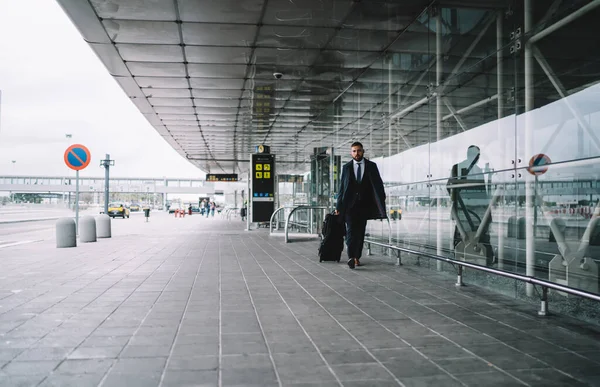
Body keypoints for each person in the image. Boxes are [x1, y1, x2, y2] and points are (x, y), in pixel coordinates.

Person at [335, 142, 387, 269]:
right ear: (350, 152)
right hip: (349, 206)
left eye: (358, 151)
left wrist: (381, 201)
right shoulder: (346, 167)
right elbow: (342, 188)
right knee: (351, 231)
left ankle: (357, 256)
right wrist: (338, 206)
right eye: (354, 151)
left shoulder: (371, 166)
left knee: (360, 232)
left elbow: (378, 185)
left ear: (363, 151)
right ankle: (352, 257)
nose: (356, 153)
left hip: (364, 206)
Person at [447, 145, 494, 265]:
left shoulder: (456, 167)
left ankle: (458, 254)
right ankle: (487, 256)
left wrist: (457, 199)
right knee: (480, 232)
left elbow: (449, 187)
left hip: (461, 208)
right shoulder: (478, 170)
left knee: (460, 232)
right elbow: (483, 193)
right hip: (477, 209)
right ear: (477, 157)